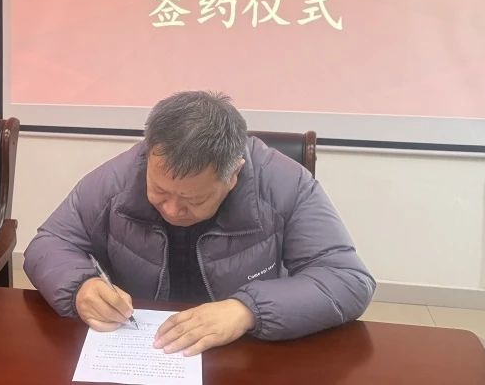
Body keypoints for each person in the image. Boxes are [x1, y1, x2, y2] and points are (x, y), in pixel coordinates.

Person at [24, 90, 374, 355]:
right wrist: (81, 286)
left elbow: (347, 279)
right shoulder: (120, 177)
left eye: (194, 199)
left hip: (245, 352)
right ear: (148, 154)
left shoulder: (285, 184)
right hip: (145, 345)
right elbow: (49, 243)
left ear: (234, 174)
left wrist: (247, 310)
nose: (173, 210)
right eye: (160, 191)